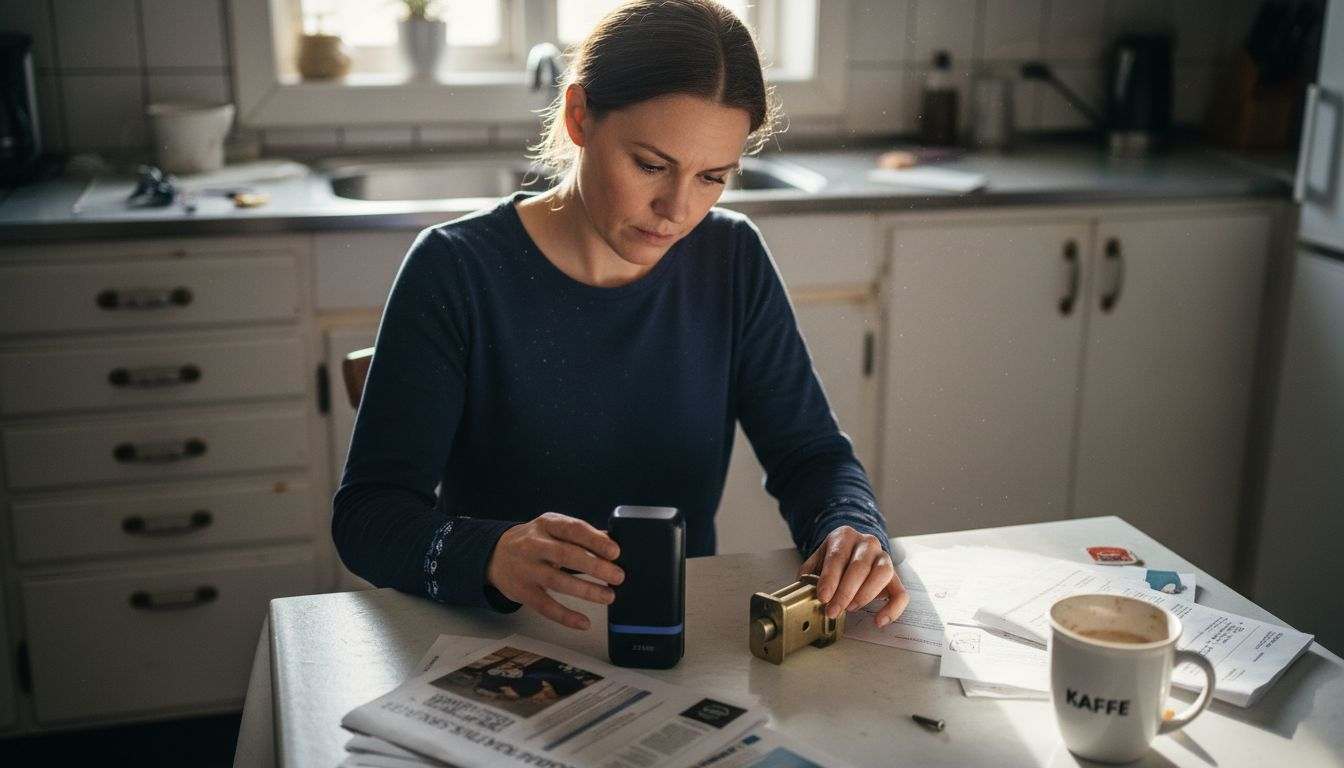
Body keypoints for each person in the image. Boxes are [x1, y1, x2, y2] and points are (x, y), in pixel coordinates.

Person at [333, 0, 909, 633]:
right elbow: (368, 515)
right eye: (651, 165)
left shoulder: (730, 255)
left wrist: (848, 528)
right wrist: (493, 555)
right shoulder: (456, 268)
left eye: (712, 177)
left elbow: (811, 455)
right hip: (502, 640)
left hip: (672, 635)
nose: (676, 209)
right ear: (580, 117)